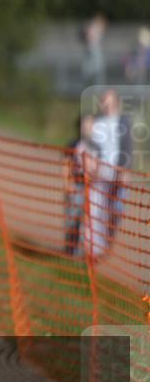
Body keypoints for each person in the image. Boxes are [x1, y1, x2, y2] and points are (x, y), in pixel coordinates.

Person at [89, 88, 132, 246]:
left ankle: (109, 238)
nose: (106, 104)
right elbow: (92, 147)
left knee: (116, 208)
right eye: (104, 101)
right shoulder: (97, 123)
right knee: (97, 208)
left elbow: (128, 147)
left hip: (117, 172)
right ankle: (97, 244)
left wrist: (125, 170)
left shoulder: (123, 122)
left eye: (109, 100)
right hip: (100, 172)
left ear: (116, 103)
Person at [63, 114, 98, 256]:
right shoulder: (73, 144)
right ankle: (71, 251)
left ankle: (84, 253)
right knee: (72, 220)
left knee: (87, 223)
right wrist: (67, 184)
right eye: (85, 124)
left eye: (91, 124)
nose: (88, 127)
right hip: (76, 185)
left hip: (92, 188)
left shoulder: (97, 147)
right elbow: (66, 164)